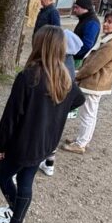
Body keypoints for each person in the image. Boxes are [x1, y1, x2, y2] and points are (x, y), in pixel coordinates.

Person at [0, 26, 85, 223]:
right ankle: (15, 215)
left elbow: (11, 116)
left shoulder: (28, 76)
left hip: (22, 144)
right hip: (46, 143)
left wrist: (0, 146)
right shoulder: (65, 76)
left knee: (4, 175)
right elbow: (79, 99)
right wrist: (57, 109)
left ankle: (16, 221)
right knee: (26, 179)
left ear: (39, 45)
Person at [61, 10, 112, 154]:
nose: (105, 24)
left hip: (94, 84)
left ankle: (81, 143)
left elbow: (93, 66)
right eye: (106, 20)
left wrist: (76, 75)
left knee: (88, 114)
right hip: (95, 83)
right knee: (90, 113)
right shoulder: (111, 40)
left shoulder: (111, 44)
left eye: (110, 22)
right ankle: (82, 139)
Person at [38, 29, 83, 177]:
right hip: (61, 109)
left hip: (52, 107)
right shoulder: (69, 62)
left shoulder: (58, 63)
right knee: (54, 133)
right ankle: (49, 163)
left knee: (44, 133)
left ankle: (42, 160)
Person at [72, 0, 101, 67]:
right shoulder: (84, 19)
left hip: (79, 59)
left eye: (77, 7)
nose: (74, 10)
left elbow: (87, 45)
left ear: (85, 8)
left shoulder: (92, 23)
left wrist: (73, 53)